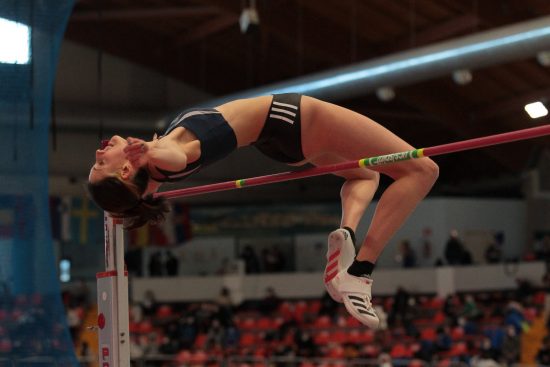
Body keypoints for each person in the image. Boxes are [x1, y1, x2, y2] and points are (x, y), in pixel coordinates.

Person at [87, 93, 439, 328]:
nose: (99, 153)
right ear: (124, 171)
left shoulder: (156, 175)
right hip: (295, 118)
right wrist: (146, 153)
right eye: (99, 164)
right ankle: (360, 271)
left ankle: (346, 233)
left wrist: (130, 201)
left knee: (365, 176)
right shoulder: (165, 156)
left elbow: (143, 192)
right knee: (423, 170)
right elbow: (177, 156)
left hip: (283, 144)